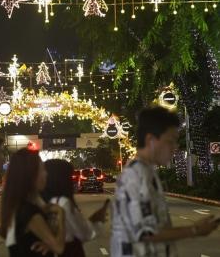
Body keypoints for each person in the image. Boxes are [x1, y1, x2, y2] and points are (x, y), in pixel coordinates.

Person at [111, 106, 219, 257]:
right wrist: (195, 230)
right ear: (150, 140)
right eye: (170, 141)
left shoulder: (146, 171)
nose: (175, 148)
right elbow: (146, 233)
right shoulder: (136, 175)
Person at [0, 148, 66, 257]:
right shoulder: (29, 213)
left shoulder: (18, 205)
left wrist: (48, 242)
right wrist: (61, 213)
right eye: (42, 170)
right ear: (30, 175)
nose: (46, 174)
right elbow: (59, 248)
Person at [42, 159, 109, 257]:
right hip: (70, 252)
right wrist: (97, 221)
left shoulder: (42, 202)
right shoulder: (63, 203)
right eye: (69, 176)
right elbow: (84, 233)